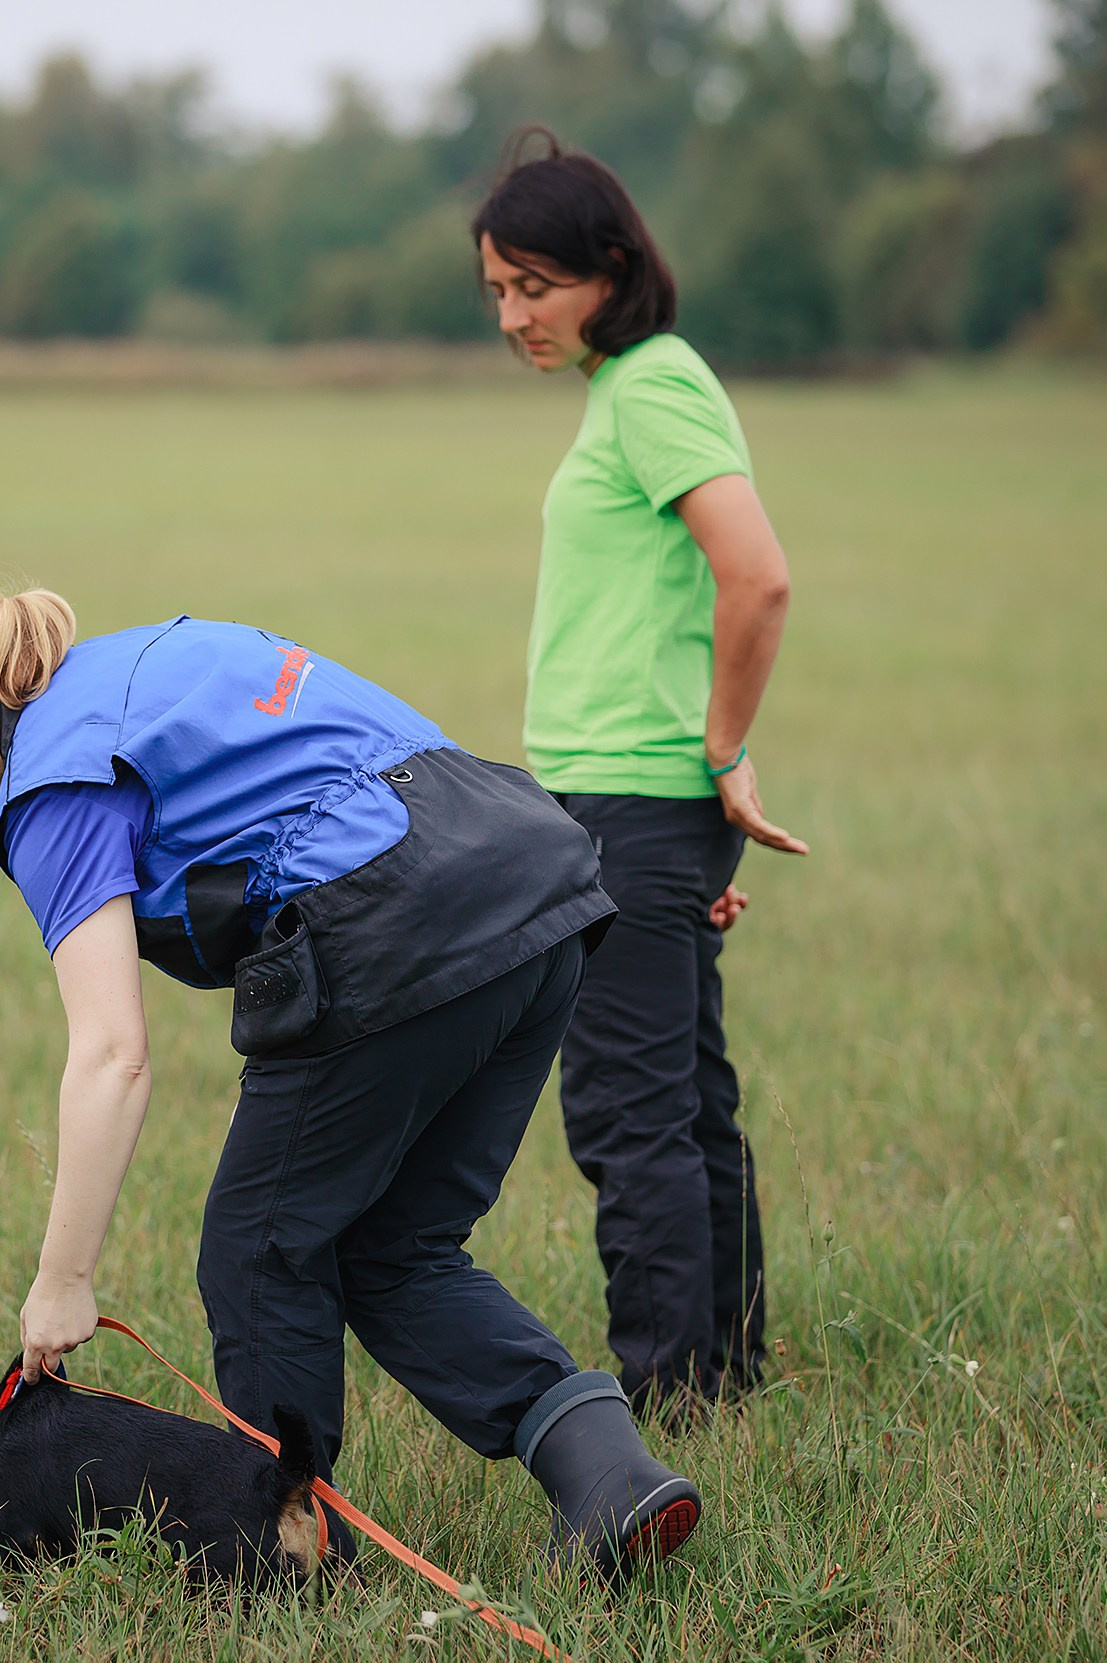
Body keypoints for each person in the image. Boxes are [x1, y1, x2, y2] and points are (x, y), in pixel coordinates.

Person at [0, 586, 703, 1579]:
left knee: (257, 1251)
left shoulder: (54, 777)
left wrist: (62, 1282)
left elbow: (111, 1055)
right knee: (395, 1245)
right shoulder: (147, 661)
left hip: (393, 921)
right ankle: (607, 1476)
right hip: (531, 878)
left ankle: (281, 1558)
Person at [472, 136, 809, 1418]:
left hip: (632, 802)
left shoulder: (655, 385)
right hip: (618, 801)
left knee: (628, 1117)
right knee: (685, 1101)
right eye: (498, 291)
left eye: (536, 286)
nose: (515, 316)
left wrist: (720, 749)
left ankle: (668, 1403)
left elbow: (757, 574)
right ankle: (720, 1378)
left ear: (612, 268)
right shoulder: (629, 386)